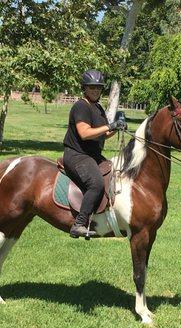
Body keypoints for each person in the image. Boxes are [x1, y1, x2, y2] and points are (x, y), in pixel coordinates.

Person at [63, 69, 127, 238]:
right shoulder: (81, 106)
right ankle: (79, 224)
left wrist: (117, 126)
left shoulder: (97, 107)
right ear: (84, 88)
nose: (95, 91)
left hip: (93, 155)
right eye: (92, 88)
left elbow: (104, 133)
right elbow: (84, 133)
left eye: (98, 88)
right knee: (96, 183)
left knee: (113, 175)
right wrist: (110, 126)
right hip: (77, 155)